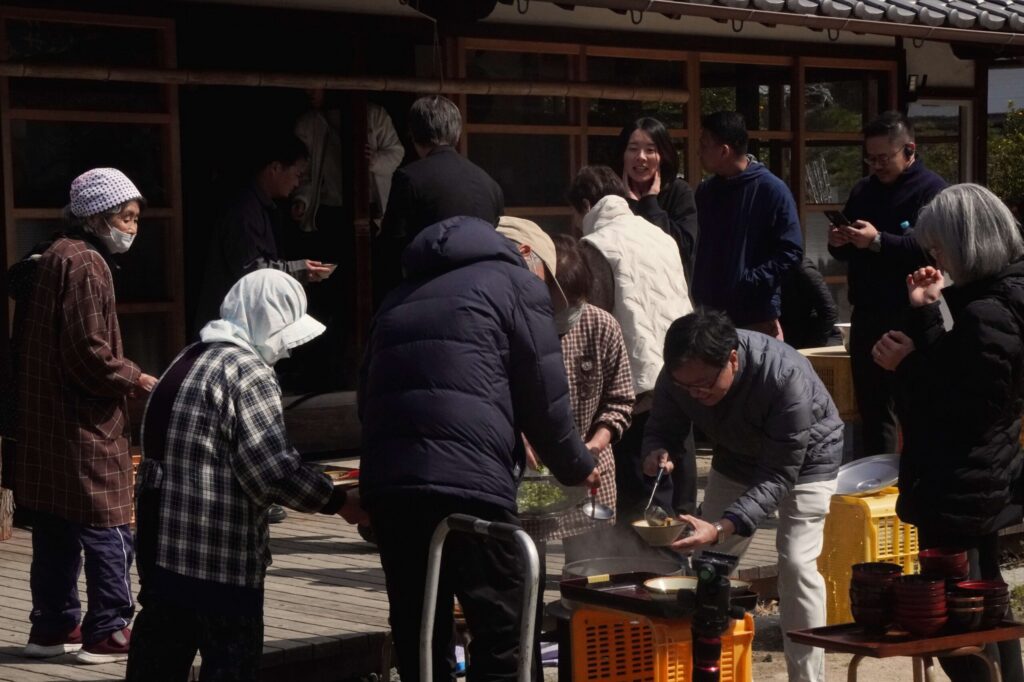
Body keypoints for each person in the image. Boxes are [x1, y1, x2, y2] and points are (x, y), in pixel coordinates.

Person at [359, 214, 599, 682]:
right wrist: (576, 467)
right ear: (529, 257)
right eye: (548, 282)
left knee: (419, 631)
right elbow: (545, 403)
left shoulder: (397, 295)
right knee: (503, 629)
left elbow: (367, 399)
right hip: (470, 485)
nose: (548, 295)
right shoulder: (515, 283)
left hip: (392, 488)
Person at [125, 269, 366, 682]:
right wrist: (340, 502)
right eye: (285, 333)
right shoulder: (247, 371)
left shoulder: (184, 360)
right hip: (221, 559)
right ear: (267, 319)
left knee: (158, 665)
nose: (287, 350)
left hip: (162, 555)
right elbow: (270, 471)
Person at [873, 184, 1024, 682]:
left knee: (955, 617)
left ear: (966, 242)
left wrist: (906, 365)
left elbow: (965, 406)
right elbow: (964, 375)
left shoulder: (988, 312)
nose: (935, 255)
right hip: (981, 471)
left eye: (939, 246)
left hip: (963, 473)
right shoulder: (998, 296)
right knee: (984, 602)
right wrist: (926, 310)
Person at [642, 310, 842, 682]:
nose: (695, 394)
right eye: (686, 387)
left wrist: (721, 526)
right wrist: (657, 450)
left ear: (732, 358)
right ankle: (707, 668)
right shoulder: (680, 375)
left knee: (797, 563)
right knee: (709, 565)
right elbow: (663, 427)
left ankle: (807, 677)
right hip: (736, 454)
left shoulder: (784, 377)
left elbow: (779, 475)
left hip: (807, 459)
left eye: (703, 384)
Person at [11, 168, 158, 663]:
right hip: (85, 421)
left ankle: (52, 628)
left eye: (136, 218)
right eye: (125, 216)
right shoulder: (87, 262)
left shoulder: (53, 254)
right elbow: (88, 352)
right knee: (110, 521)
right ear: (97, 216)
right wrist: (136, 378)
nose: (132, 227)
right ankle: (110, 628)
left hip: (45, 418)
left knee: (55, 524)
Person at [497, 225, 634, 562]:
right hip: (530, 475)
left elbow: (620, 399)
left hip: (590, 471)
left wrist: (594, 445)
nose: (568, 312)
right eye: (559, 304)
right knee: (527, 565)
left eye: (575, 303)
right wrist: (519, 436)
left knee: (589, 569)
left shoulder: (601, 326)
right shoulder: (514, 328)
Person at [567, 165, 694, 519]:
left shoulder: (595, 245)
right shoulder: (659, 235)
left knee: (641, 503)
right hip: (681, 374)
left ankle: (646, 569)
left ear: (586, 204)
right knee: (678, 498)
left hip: (633, 385)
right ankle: (681, 569)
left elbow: (592, 324)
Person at [828, 111, 947, 457]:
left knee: (911, 402)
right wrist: (840, 240)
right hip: (867, 312)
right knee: (872, 406)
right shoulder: (864, 189)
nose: (876, 166)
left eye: (884, 158)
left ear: (910, 151)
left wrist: (877, 240)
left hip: (909, 314)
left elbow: (927, 247)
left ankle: (915, 478)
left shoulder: (932, 190)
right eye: (870, 158)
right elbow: (855, 248)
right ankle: (875, 480)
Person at [195, 132, 333, 331]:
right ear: (275, 168)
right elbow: (251, 270)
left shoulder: (261, 206)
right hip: (231, 324)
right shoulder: (243, 209)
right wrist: (299, 269)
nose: (297, 183)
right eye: (297, 174)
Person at [374, 95, 504, 305]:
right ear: (457, 133)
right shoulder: (488, 183)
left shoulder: (409, 178)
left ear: (413, 134)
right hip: (485, 295)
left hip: (430, 296)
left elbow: (392, 247)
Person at [692, 111, 803, 339]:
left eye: (704, 144)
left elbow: (791, 252)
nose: (698, 151)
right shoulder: (706, 192)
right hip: (709, 317)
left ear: (724, 150)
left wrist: (749, 283)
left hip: (755, 317)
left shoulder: (771, 190)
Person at [292, 92, 405, 232]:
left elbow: (396, 153)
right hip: (330, 206)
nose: (309, 90)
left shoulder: (374, 114)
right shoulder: (308, 124)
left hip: (369, 205)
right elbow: (305, 170)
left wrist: (374, 160)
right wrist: (303, 199)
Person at [615, 117, 698, 282]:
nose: (641, 157)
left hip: (670, 296)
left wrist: (650, 204)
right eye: (633, 149)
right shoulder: (612, 195)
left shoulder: (679, 192)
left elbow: (683, 249)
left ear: (663, 156)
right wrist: (630, 204)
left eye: (650, 150)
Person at [779, 257, 843, 350]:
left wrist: (811, 347)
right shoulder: (767, 270)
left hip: (822, 337)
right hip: (793, 340)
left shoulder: (802, 268)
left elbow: (829, 311)